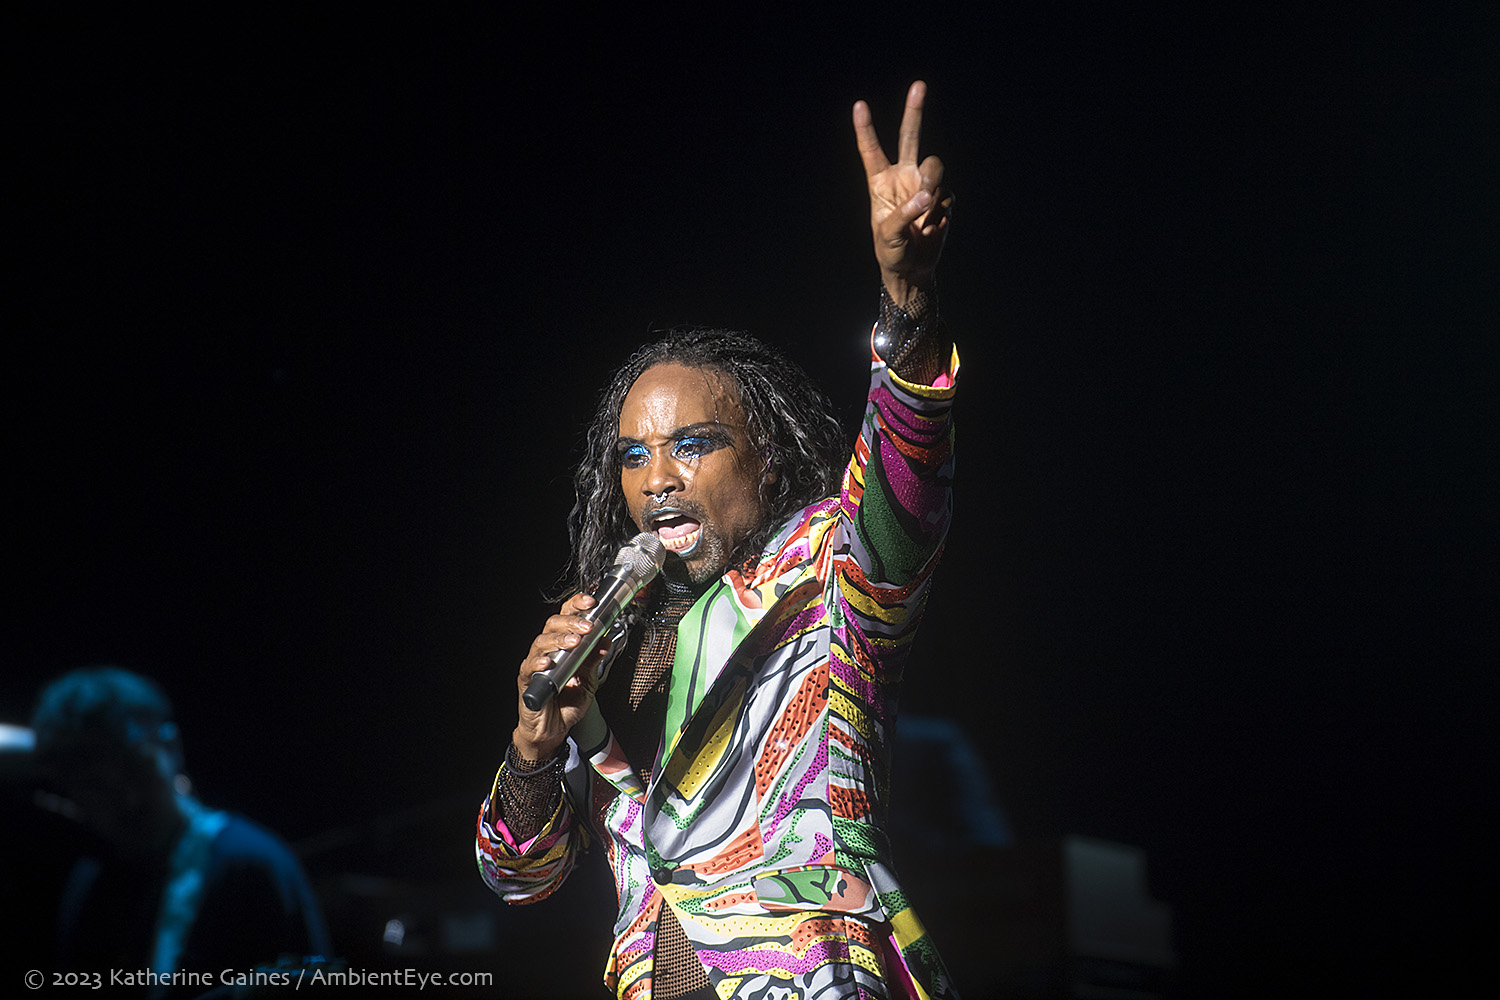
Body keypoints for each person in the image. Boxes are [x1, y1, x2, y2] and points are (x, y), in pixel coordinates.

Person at [476, 81, 960, 1000]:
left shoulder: (825, 573)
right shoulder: (610, 639)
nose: (657, 477)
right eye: (633, 456)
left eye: (693, 445)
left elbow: (909, 492)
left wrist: (907, 302)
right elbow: (519, 877)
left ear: (768, 460)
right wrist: (537, 744)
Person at [29, 667, 332, 997]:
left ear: (170, 745)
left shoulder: (250, 863)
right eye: (89, 775)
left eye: (129, 762)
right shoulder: (90, 881)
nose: (119, 790)